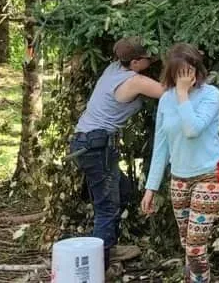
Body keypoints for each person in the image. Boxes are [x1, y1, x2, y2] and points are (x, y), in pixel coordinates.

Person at [68, 37, 164, 265]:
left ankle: (107, 245)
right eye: (146, 59)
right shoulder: (134, 81)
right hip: (96, 147)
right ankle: (100, 262)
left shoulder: (114, 67)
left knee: (124, 190)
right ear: (135, 63)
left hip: (84, 142)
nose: (150, 61)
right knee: (107, 207)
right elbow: (169, 91)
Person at [141, 43, 219, 283]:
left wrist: (182, 95)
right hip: (179, 180)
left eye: (188, 71)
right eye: (179, 72)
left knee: (195, 247)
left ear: (196, 70)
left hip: (209, 176)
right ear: (171, 72)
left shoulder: (211, 95)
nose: (184, 77)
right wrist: (151, 188)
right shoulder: (166, 99)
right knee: (187, 244)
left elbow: (192, 130)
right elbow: (161, 145)